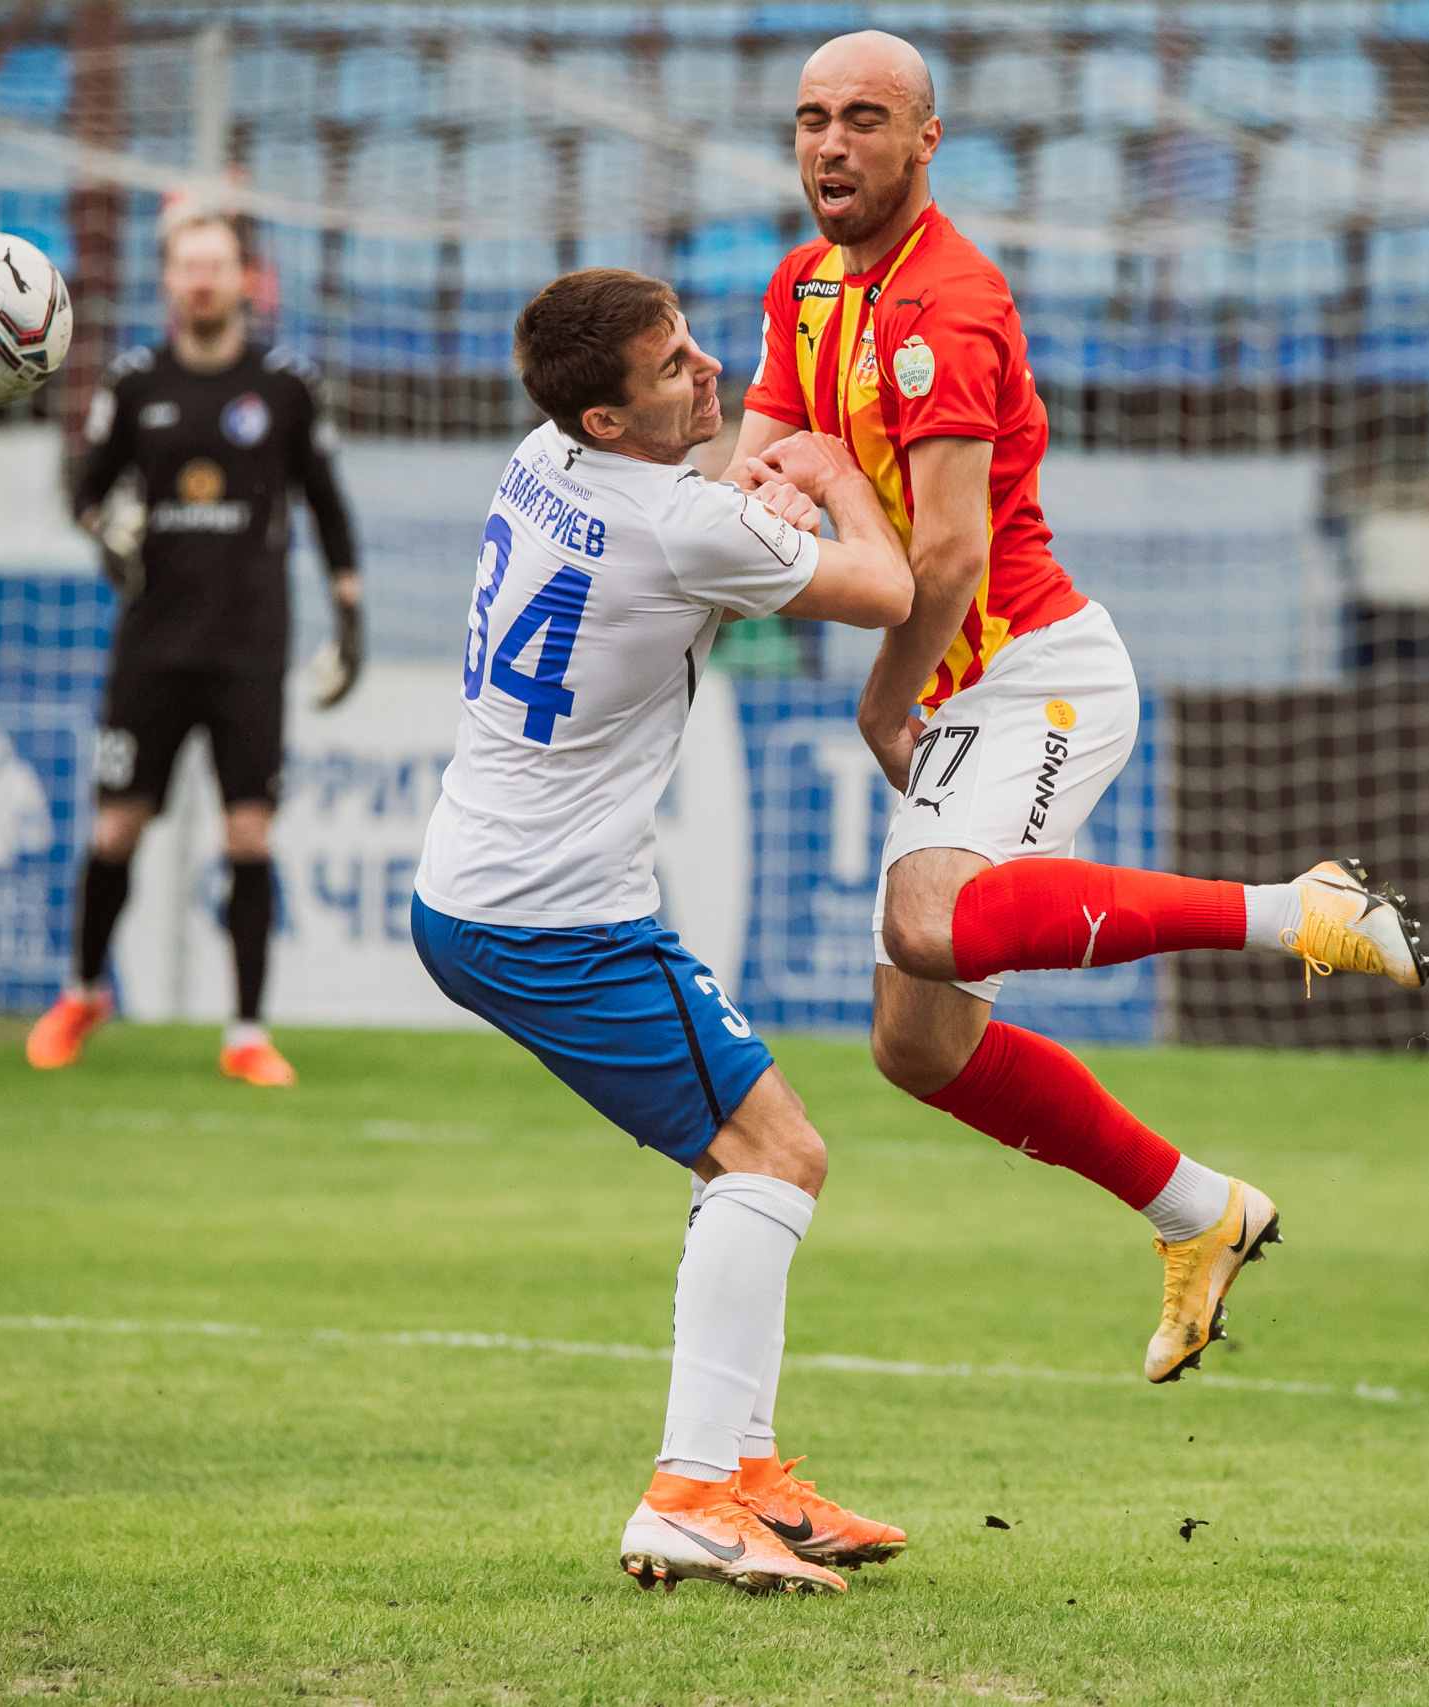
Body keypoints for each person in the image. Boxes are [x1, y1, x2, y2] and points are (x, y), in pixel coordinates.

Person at [727, 31, 1429, 1386]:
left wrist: (878, 697)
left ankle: (1298, 910)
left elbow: (946, 559)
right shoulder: (802, 284)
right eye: (812, 118)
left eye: (864, 117)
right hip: (961, 682)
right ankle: (1200, 1211)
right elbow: (753, 477)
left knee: (925, 921)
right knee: (917, 1045)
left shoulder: (952, 307)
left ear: (926, 138)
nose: (831, 143)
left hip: (1036, 671)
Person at [411, 269, 917, 1595]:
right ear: (608, 415)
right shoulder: (683, 525)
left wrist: (749, 494)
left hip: (489, 887)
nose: (709, 371)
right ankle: (689, 1492)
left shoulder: (544, 458)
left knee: (741, 1153)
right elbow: (887, 589)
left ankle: (745, 1476)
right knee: (780, 1155)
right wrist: (828, 473)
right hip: (554, 917)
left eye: (693, 342)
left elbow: (694, 528)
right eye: (673, 367)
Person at [26, 210, 363, 1088]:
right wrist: (104, 529)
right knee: (115, 827)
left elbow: (327, 506)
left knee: (248, 833)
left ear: (246, 278)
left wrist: (349, 617)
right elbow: (86, 491)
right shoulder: (135, 383)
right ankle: (82, 993)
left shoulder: (286, 385)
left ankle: (247, 1031)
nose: (204, 279)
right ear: (169, 279)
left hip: (249, 651)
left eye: (218, 264)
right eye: (190, 265)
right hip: (152, 648)